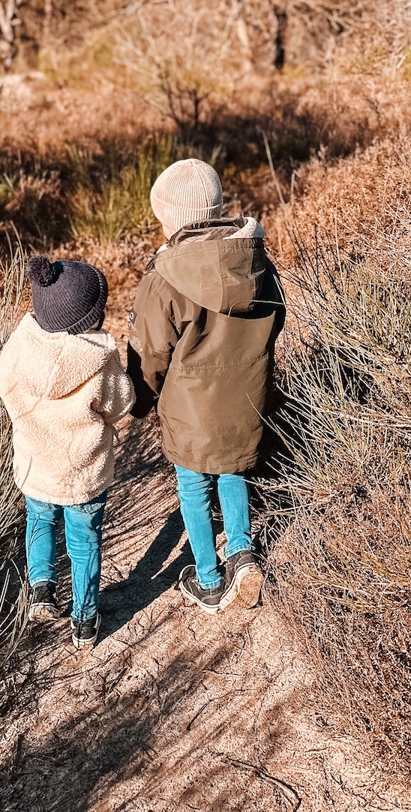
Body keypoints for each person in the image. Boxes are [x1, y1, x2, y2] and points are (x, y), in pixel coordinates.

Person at [126, 158, 285, 614]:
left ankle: (210, 580)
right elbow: (278, 320)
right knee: (234, 469)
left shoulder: (163, 279)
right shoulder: (256, 263)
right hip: (248, 395)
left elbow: (151, 353)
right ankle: (242, 551)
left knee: (194, 487)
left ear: (169, 220)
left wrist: (141, 400)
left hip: (189, 409)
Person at [0, 254, 134, 649]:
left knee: (39, 521)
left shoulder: (20, 345)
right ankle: (85, 621)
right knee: (84, 540)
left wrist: (26, 416)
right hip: (83, 473)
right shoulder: (100, 360)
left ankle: (41, 587)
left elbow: (1, 379)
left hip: (37, 465)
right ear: (90, 318)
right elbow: (120, 404)